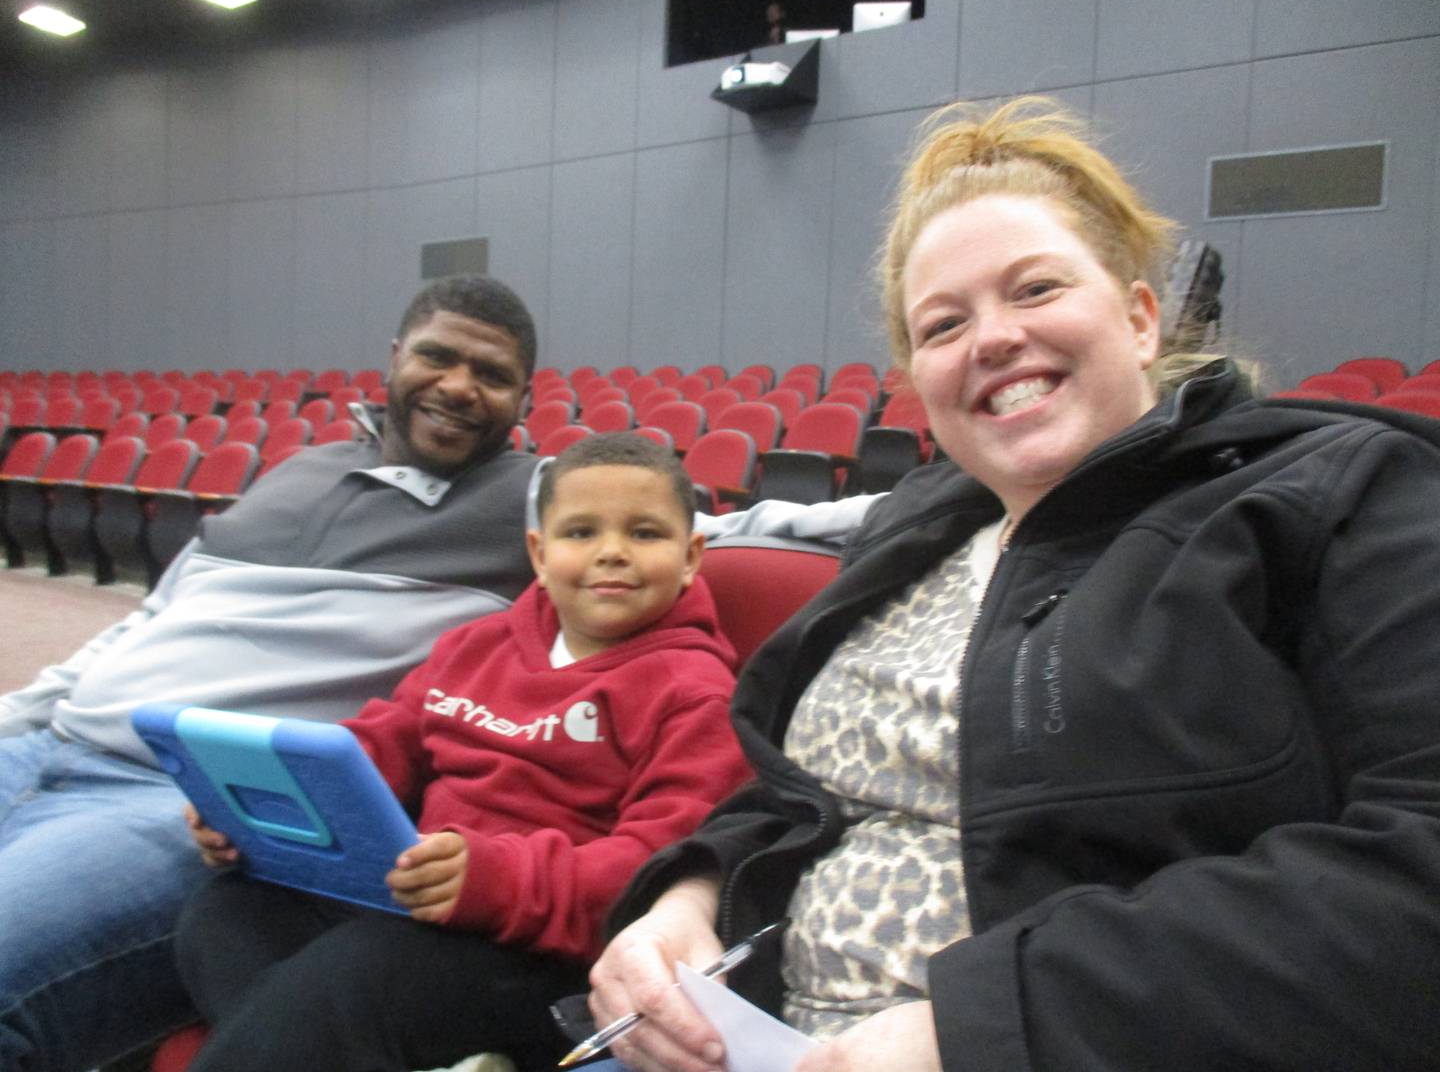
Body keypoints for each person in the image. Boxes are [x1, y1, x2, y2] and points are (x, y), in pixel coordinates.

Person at [582, 96, 1440, 1072]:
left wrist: (990, 1024)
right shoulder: (910, 537)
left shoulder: (1339, 495)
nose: (991, 339)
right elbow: (796, 799)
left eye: (1035, 289)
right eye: (944, 324)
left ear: (1140, 316)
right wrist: (689, 901)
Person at [0, 273, 543, 1072]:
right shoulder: (299, 469)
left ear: (523, 401)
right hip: (46, 743)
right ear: (395, 359)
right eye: (438, 357)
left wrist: (800, 510)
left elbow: (715, 527)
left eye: (492, 376)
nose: (459, 387)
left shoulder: (536, 496)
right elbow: (154, 615)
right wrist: (26, 714)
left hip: (183, 804)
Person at [172, 432, 752, 1072]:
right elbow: (383, 742)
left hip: (541, 951)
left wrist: (497, 880)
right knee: (226, 912)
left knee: (350, 982)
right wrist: (258, 800)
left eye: (645, 534)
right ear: (538, 552)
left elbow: (656, 866)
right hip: (418, 897)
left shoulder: (696, 692)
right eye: (581, 532)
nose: (611, 553)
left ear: (693, 555)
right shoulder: (475, 645)